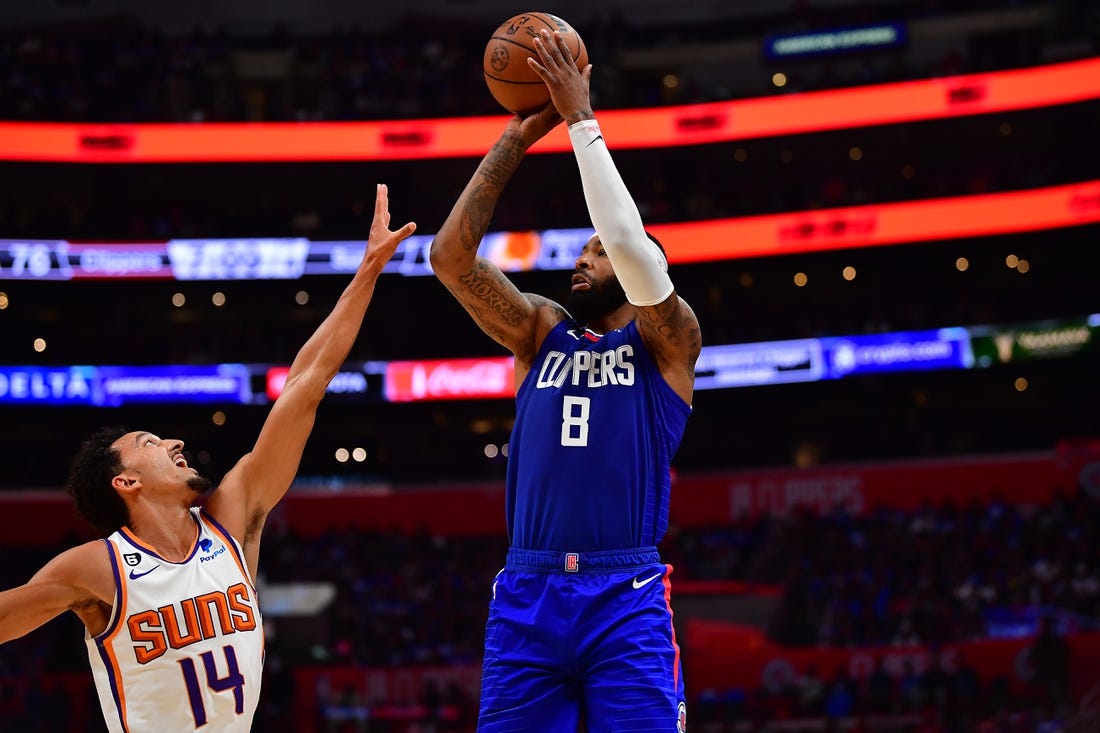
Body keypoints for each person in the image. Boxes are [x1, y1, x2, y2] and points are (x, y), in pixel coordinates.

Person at [0, 184, 416, 732]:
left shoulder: (232, 516)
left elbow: (305, 385)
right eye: (150, 443)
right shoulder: (96, 567)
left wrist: (367, 272)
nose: (173, 443)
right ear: (125, 483)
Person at [429, 29, 701, 733]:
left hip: (627, 590)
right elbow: (451, 259)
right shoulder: (539, 328)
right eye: (583, 248)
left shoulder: (668, 341)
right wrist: (516, 139)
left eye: (597, 250)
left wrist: (582, 121)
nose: (584, 259)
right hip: (528, 587)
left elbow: (635, 250)